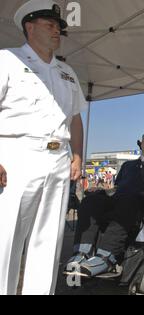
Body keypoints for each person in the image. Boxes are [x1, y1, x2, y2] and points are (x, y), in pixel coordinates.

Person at [0, 0, 86, 295]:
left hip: (58, 159)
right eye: (50, 26)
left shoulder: (66, 72)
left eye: (59, 27)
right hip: (15, 156)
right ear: (30, 27)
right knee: (6, 241)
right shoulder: (7, 60)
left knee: (48, 242)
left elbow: (75, 119)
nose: (57, 32)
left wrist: (77, 156)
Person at [66, 131, 144, 277]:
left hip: (139, 202)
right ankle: (81, 253)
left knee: (127, 202)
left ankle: (105, 258)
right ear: (140, 143)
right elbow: (117, 188)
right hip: (118, 198)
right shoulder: (127, 165)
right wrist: (102, 189)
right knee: (91, 200)